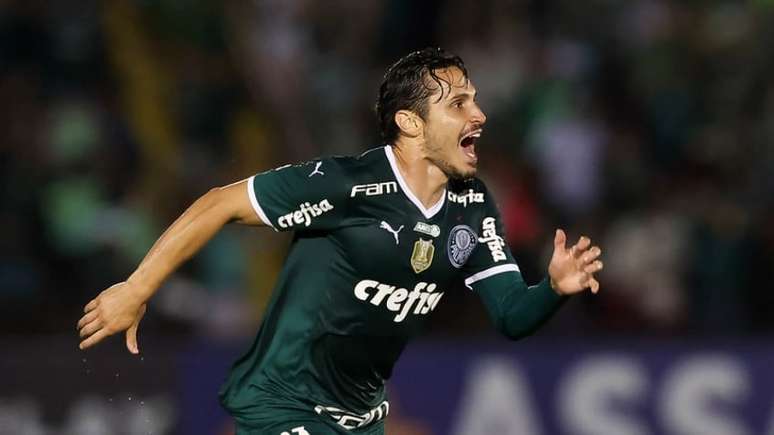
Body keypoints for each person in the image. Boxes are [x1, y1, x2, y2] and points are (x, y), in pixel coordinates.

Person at [77, 47, 604, 435]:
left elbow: (512, 315)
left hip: (362, 420)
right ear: (410, 123)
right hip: (281, 404)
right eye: (459, 103)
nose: (479, 115)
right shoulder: (347, 184)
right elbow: (220, 202)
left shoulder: (471, 204)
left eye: (475, 100)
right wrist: (136, 287)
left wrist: (553, 289)